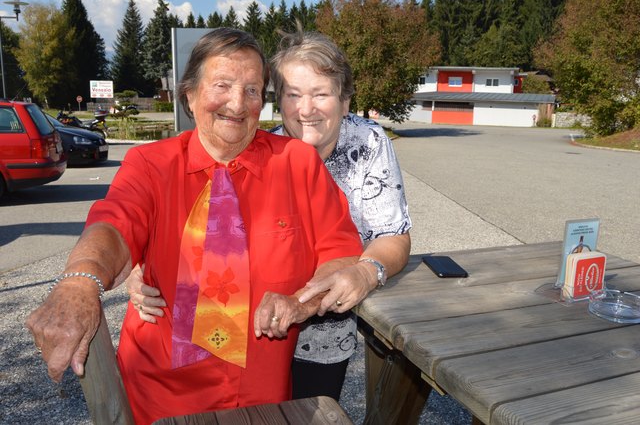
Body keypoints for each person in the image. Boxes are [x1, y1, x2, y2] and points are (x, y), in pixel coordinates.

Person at [25, 28, 363, 425]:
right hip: (160, 397)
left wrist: (299, 303)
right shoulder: (150, 164)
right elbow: (114, 225)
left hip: (262, 397)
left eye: (252, 90)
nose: (237, 104)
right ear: (189, 95)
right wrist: (79, 282)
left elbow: (339, 254)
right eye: (222, 85)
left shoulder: (298, 164)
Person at [126, 28, 412, 402]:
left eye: (321, 94)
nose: (305, 108)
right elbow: (198, 233)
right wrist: (141, 266)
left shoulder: (366, 143)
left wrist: (364, 270)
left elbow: (393, 234)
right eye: (293, 95)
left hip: (324, 328)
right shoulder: (259, 145)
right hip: (254, 342)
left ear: (344, 102)